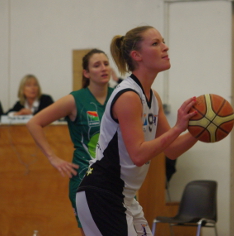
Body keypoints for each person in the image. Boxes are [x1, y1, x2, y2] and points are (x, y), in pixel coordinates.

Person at [75, 26, 199, 236]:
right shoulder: (129, 96)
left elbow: (172, 150)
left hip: (125, 198)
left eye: (163, 41)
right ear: (137, 56)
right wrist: (178, 127)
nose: (165, 47)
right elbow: (139, 154)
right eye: (155, 43)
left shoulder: (153, 97)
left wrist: (200, 131)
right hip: (101, 193)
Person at [26, 49, 114, 236]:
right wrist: (53, 158)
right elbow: (34, 123)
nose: (103, 68)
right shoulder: (75, 99)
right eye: (96, 65)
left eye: (106, 63)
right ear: (86, 73)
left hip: (116, 178)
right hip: (85, 178)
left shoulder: (120, 96)